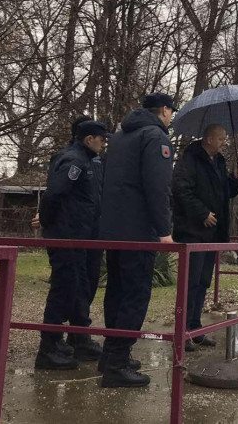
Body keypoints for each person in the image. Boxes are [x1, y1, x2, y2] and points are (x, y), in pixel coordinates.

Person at [97, 92, 177, 388]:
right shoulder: (155, 137)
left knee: (116, 291)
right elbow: (157, 187)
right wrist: (164, 230)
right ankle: (117, 364)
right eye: (172, 112)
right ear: (165, 110)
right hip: (139, 230)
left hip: (114, 228)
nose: (171, 118)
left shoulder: (120, 137)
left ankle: (112, 354)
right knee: (135, 294)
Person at [35, 119, 110, 370]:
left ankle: (79, 336)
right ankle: (49, 346)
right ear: (89, 139)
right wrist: (47, 222)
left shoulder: (91, 160)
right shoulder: (73, 161)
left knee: (82, 287)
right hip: (68, 235)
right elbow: (54, 194)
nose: (104, 144)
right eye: (101, 139)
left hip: (87, 235)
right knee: (64, 289)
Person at [171, 124, 238, 352]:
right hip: (193, 231)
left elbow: (225, 193)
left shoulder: (219, 162)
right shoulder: (190, 160)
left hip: (214, 232)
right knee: (190, 283)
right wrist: (202, 213)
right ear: (209, 139)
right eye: (221, 139)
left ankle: (194, 327)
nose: (224, 142)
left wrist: (237, 180)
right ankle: (182, 332)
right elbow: (180, 189)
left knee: (203, 282)